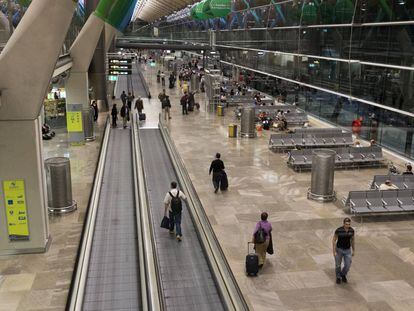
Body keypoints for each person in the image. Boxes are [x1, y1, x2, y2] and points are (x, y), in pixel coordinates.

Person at [332, 218, 355, 284]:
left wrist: (353, 250)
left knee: (348, 265)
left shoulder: (352, 231)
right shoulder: (339, 230)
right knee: (338, 265)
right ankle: (338, 277)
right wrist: (334, 251)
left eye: (349, 224)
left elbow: (353, 240)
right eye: (346, 224)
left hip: (347, 250)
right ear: (343, 224)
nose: (348, 225)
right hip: (339, 250)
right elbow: (334, 240)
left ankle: (343, 274)